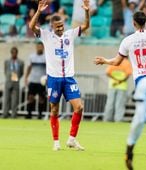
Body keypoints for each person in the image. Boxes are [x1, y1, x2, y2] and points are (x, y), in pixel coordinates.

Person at [29, 0, 90, 151]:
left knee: (79, 107)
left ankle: (72, 139)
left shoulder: (70, 34)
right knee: (54, 110)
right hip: (54, 79)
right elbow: (31, 27)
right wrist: (38, 12)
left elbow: (86, 26)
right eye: (58, 27)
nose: (61, 28)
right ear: (52, 27)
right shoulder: (46, 36)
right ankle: (56, 141)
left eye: (62, 25)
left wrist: (87, 11)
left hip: (69, 78)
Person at [24, 41, 46, 119]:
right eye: (38, 47)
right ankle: (29, 114)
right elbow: (29, 68)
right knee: (30, 97)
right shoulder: (32, 57)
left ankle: (40, 114)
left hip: (42, 82)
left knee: (41, 98)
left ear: (43, 47)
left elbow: (49, 69)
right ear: (36, 47)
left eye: (41, 47)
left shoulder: (46, 57)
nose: (39, 48)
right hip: (33, 80)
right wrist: (26, 77)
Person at [2, 47, 24, 119]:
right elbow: (5, 71)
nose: (14, 54)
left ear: (17, 53)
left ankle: (14, 115)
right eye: (13, 52)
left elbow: (21, 72)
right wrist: (9, 77)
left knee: (15, 100)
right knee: (6, 99)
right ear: (11, 53)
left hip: (16, 82)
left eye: (15, 52)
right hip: (8, 82)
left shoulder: (21, 62)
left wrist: (16, 78)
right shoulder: (7, 61)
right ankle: (5, 114)